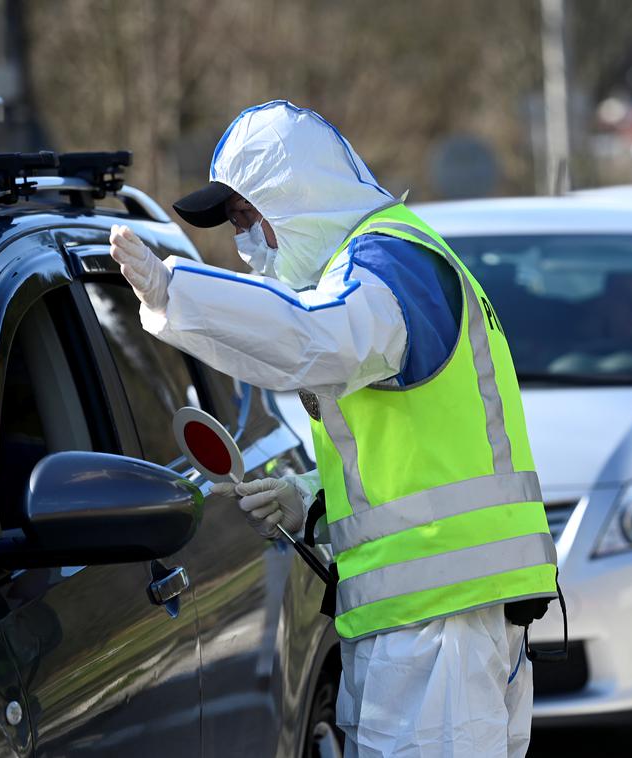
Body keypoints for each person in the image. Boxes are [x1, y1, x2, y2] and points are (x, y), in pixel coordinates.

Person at [108, 100, 558, 757]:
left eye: (244, 216)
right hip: (448, 615)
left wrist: (178, 295)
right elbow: (418, 450)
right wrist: (315, 498)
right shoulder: (393, 261)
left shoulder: (385, 265)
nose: (243, 243)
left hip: (437, 626)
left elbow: (315, 339)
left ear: (296, 198)